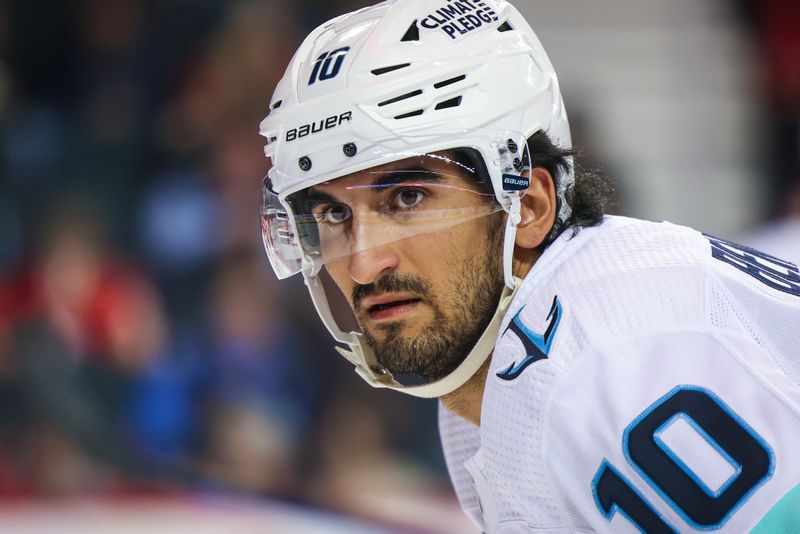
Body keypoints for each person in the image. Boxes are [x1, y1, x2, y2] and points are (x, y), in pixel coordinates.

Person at [257, 0, 800, 531]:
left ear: (531, 207)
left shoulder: (597, 361)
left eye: (406, 198)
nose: (364, 264)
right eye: (332, 213)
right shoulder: (499, 367)